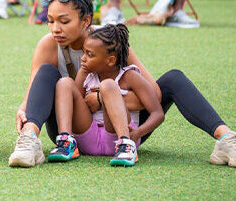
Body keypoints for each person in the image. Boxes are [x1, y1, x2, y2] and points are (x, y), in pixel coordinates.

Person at [8, 0, 236, 168]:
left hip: (122, 127)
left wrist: (104, 96)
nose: (55, 29)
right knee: (48, 73)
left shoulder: (109, 42)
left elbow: (154, 96)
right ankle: (30, 140)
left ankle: (226, 139)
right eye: (50, 20)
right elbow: (33, 89)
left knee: (174, 78)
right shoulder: (48, 44)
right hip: (73, 128)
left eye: (63, 20)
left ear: (85, 20)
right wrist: (24, 111)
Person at [46, 23, 164, 167]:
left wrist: (138, 132)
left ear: (110, 60)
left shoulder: (130, 76)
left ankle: (126, 145)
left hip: (116, 136)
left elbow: (158, 113)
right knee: (64, 82)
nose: (82, 58)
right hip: (88, 139)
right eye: (84, 52)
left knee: (108, 85)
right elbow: (77, 103)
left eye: (89, 54)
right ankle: (66, 142)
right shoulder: (86, 73)